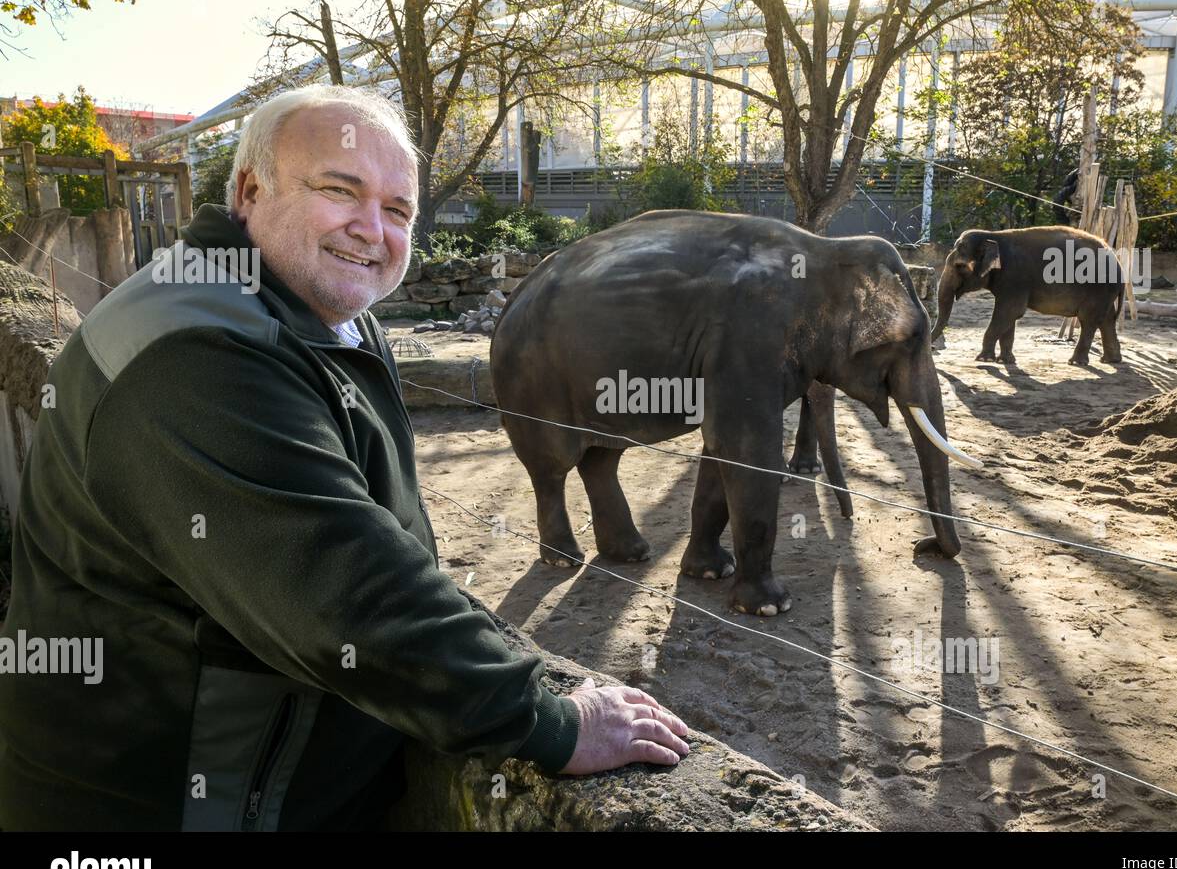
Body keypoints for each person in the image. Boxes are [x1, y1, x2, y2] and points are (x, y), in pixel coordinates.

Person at [0, 84, 688, 830]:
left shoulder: (314, 315)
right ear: (250, 191)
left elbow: (380, 540)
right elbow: (338, 586)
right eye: (339, 190)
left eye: (398, 212)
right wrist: (550, 721)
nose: (372, 230)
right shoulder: (195, 356)